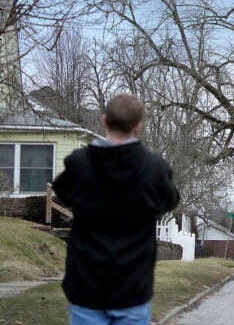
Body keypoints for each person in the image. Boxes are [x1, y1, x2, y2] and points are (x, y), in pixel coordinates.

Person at [53, 93, 180, 325]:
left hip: (86, 286)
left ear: (104, 120)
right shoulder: (155, 170)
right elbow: (170, 201)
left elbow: (62, 192)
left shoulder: (79, 164)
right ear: (138, 126)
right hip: (133, 288)